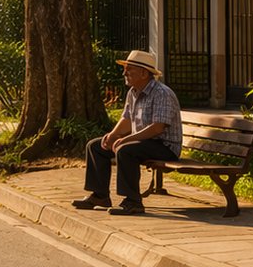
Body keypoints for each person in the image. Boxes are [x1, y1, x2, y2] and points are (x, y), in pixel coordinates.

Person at [74, 50, 183, 216]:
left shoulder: (162, 93)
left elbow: (157, 128)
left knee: (126, 150)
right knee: (95, 146)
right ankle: (100, 196)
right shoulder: (133, 92)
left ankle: (133, 202)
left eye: (129, 69)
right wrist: (112, 135)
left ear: (144, 73)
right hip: (144, 142)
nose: (124, 72)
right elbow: (126, 120)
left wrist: (126, 140)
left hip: (165, 146)